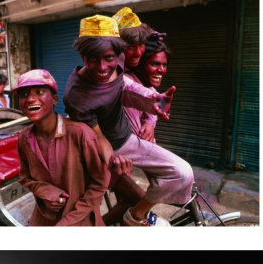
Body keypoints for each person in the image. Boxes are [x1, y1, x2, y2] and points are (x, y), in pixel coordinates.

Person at [63, 14, 194, 226]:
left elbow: (126, 87)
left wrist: (152, 101)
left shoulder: (120, 61)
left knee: (182, 173)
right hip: (96, 154)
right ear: (82, 55)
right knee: (101, 208)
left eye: (109, 58)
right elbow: (98, 139)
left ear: (118, 53)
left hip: (127, 141)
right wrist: (111, 159)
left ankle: (135, 216)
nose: (103, 67)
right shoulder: (76, 96)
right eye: (93, 59)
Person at [13, 69, 110, 226]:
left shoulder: (80, 134)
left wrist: (68, 222)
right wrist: (47, 193)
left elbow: (100, 183)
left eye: (39, 92)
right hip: (44, 217)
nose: (30, 99)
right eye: (24, 95)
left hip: (80, 218)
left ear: (54, 99)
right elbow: (25, 178)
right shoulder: (24, 138)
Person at [113, 7, 156, 142]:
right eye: (131, 46)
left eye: (141, 44)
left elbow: (150, 94)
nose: (138, 53)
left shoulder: (136, 72)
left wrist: (150, 123)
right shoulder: (106, 77)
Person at [123, 32, 169, 143]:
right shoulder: (123, 81)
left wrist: (150, 123)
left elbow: (160, 103)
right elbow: (135, 90)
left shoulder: (151, 89)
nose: (161, 70)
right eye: (155, 64)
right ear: (139, 66)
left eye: (164, 65)